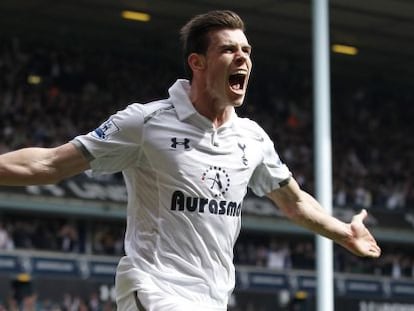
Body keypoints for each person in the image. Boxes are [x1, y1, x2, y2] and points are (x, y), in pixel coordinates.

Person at [0, 10, 381, 311]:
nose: (242, 58)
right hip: (153, 288)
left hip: (212, 298)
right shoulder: (146, 122)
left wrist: (343, 233)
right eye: (229, 50)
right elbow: (49, 164)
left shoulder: (253, 139)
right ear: (197, 63)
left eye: (247, 50)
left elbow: (294, 204)